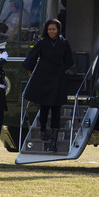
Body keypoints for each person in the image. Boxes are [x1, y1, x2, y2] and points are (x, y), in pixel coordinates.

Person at [22, 19, 74, 152]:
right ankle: (43, 130)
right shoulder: (42, 42)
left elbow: (69, 61)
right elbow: (32, 57)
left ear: (58, 30)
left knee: (56, 109)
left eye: (54, 29)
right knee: (44, 106)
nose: (52, 31)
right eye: (49, 29)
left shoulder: (64, 42)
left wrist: (62, 72)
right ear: (46, 30)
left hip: (57, 78)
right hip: (44, 77)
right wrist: (30, 69)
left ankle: (54, 141)